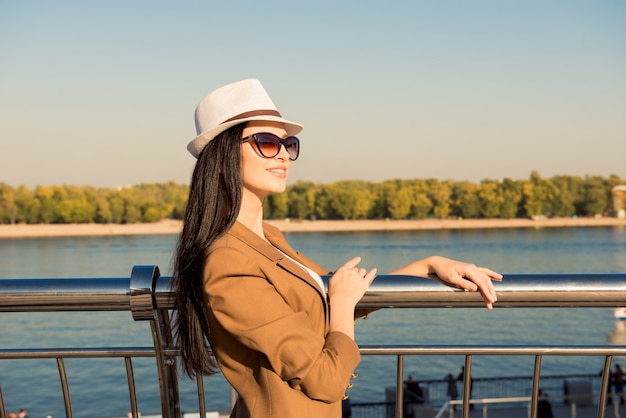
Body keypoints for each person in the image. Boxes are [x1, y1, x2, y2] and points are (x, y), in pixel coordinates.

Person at [172, 78, 502, 418]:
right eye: (267, 142)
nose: (284, 154)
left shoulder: (267, 237)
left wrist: (427, 266)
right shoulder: (227, 260)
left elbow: (328, 303)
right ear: (223, 157)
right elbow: (326, 379)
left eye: (289, 144)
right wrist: (343, 302)